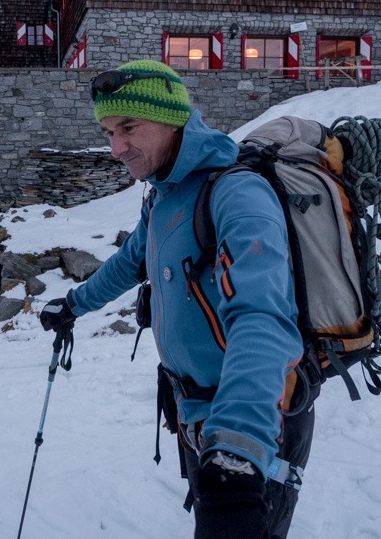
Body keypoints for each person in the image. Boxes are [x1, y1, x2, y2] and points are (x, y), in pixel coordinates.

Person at [39, 60, 316, 539]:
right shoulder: (165, 194)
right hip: (194, 411)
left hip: (254, 418)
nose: (116, 147)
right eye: (108, 131)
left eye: (128, 127)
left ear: (173, 119)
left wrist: (237, 451)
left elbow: (263, 318)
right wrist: (74, 304)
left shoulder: (237, 194)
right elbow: (130, 263)